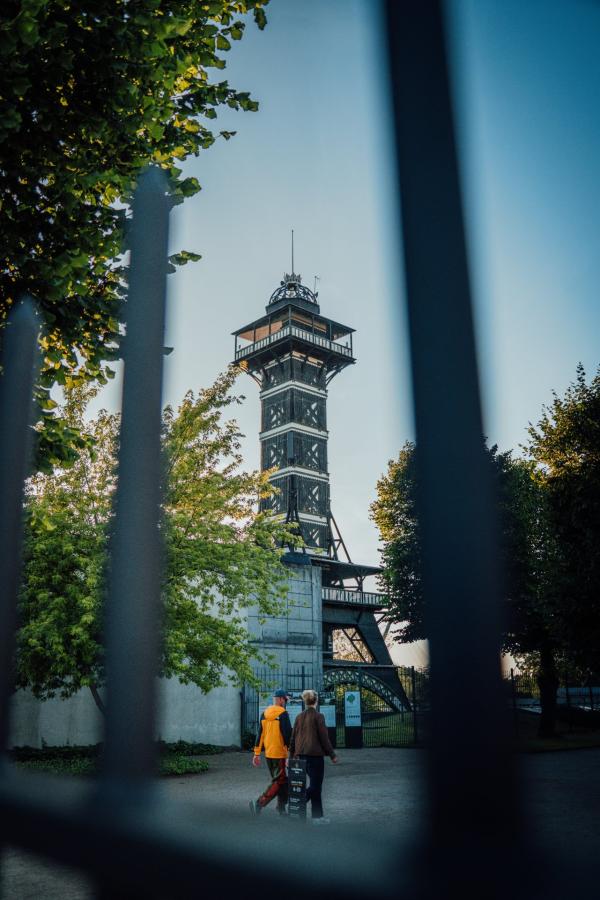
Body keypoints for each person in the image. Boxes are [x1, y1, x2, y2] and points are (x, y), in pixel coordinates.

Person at [289, 689, 338, 823]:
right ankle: (303, 805)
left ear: (305, 702)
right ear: (316, 701)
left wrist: (290, 757)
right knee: (316, 787)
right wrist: (332, 755)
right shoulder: (319, 716)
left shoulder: (299, 717)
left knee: (315, 787)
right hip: (315, 756)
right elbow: (324, 738)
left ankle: (316, 815)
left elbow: (292, 738)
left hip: (300, 756)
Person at [250, 688, 292, 816]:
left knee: (282, 782)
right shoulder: (283, 714)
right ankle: (258, 803)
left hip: (269, 754)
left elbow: (260, 735)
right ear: (279, 699)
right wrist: (290, 754)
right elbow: (287, 736)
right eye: (284, 699)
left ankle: (281, 807)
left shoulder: (265, 713)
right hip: (280, 754)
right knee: (279, 782)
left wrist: (257, 754)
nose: (285, 701)